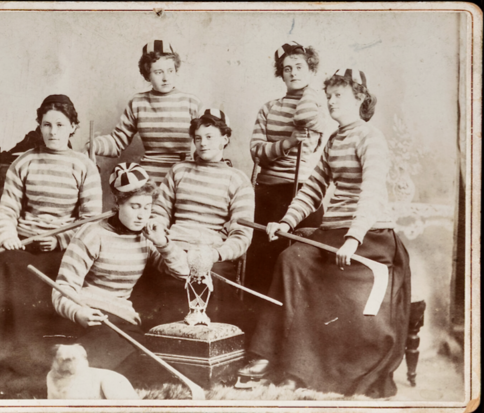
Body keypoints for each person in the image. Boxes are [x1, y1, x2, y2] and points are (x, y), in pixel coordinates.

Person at [238, 69, 411, 398]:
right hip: (334, 233)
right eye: (328, 96)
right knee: (291, 258)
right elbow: (313, 187)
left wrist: (353, 237)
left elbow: (372, 192)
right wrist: (287, 222)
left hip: (369, 237)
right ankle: (277, 359)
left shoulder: (370, 137)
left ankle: (328, 369)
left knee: (330, 284)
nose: (331, 102)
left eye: (338, 96)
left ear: (360, 98)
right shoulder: (334, 139)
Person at [0, 94, 103, 399]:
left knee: (59, 277)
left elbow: (90, 220)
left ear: (73, 127)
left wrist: (58, 240)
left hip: (65, 248)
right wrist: (8, 237)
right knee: (6, 266)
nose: (53, 131)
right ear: (39, 126)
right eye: (47, 124)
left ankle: (42, 362)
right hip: (24, 245)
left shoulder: (84, 166)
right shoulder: (24, 162)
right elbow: (7, 210)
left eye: (60, 125)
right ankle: (7, 360)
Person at [51, 162, 190, 384]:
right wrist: (79, 313)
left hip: (122, 318)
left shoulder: (147, 237)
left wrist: (163, 243)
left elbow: (183, 273)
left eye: (147, 207)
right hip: (89, 315)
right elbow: (62, 289)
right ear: (117, 202)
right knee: (114, 355)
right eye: (135, 206)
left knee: (147, 357)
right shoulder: (92, 233)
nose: (142, 215)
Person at [137, 108, 255, 330]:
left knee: (211, 281)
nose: (202, 143)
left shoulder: (237, 180)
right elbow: (160, 210)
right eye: (198, 138)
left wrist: (216, 254)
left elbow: (241, 234)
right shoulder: (179, 170)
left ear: (225, 139)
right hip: (173, 245)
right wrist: (157, 227)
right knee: (146, 269)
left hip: (210, 253)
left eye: (210, 137)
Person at [246, 41, 330, 297]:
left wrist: (310, 91)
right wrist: (289, 142)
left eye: (300, 67)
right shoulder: (268, 108)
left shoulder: (315, 106)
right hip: (267, 193)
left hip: (301, 193)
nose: (293, 73)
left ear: (311, 70)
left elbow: (303, 117)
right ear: (280, 74)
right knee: (262, 267)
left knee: (303, 265)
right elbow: (256, 152)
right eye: (287, 69)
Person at [91, 40, 202, 184]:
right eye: (158, 72)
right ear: (147, 75)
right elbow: (117, 141)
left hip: (183, 175)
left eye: (170, 70)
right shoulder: (138, 103)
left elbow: (207, 140)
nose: (166, 78)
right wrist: (94, 145)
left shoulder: (192, 103)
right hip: (149, 180)